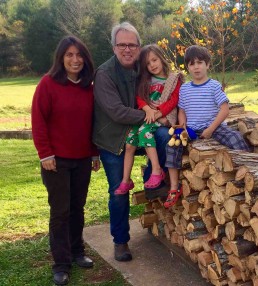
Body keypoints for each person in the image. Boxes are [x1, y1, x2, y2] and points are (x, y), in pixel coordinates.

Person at [92, 22, 171, 262]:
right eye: (122, 45)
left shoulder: (144, 66)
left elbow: (166, 84)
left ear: (138, 47)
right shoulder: (105, 73)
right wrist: (156, 115)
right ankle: (121, 241)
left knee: (166, 137)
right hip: (114, 137)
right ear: (114, 47)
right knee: (118, 190)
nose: (127, 49)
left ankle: (155, 181)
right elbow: (117, 112)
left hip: (142, 129)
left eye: (132, 45)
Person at [31, 35, 100, 286]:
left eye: (79, 54)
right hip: (56, 161)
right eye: (69, 55)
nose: (75, 59)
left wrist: (94, 152)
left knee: (77, 208)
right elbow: (38, 122)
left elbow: (92, 123)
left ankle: (77, 251)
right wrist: (45, 154)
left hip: (82, 159)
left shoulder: (88, 87)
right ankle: (61, 263)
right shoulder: (48, 84)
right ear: (61, 58)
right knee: (60, 212)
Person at [164, 45, 250, 209]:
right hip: (190, 128)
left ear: (207, 64)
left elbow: (224, 109)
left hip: (214, 126)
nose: (196, 67)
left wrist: (211, 129)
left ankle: (247, 172)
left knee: (235, 138)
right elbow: (181, 110)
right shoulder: (185, 89)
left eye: (200, 62)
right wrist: (182, 125)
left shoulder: (214, 86)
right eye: (191, 63)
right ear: (187, 67)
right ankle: (174, 188)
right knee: (171, 146)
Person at [114, 44, 183, 195]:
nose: (152, 65)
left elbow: (174, 100)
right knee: (130, 141)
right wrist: (146, 109)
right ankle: (126, 180)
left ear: (161, 59)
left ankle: (156, 170)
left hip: (162, 118)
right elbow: (139, 97)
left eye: (154, 60)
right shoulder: (147, 80)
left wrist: (158, 113)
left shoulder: (173, 79)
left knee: (145, 132)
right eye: (148, 63)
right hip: (147, 116)